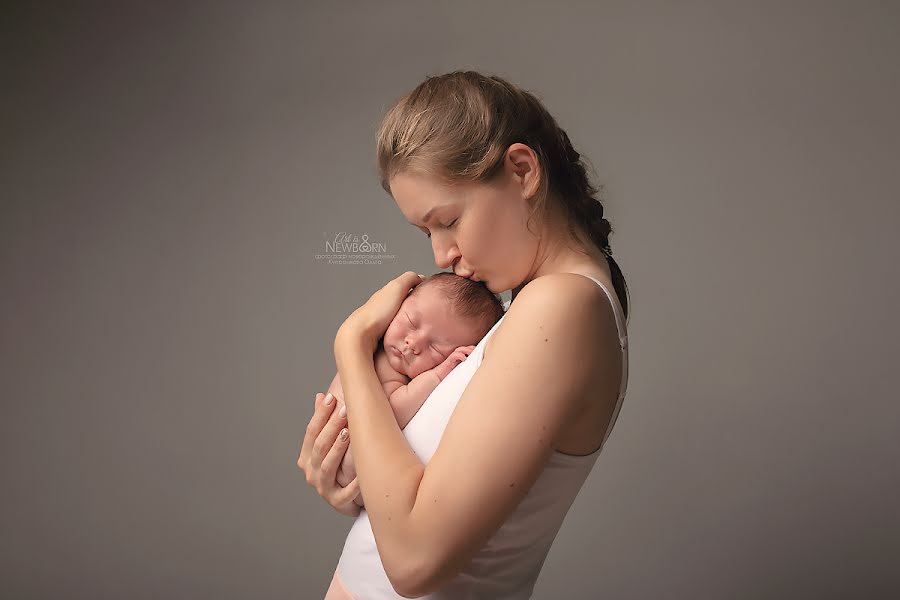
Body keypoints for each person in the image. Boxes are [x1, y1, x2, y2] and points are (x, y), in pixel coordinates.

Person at [297, 70, 630, 599]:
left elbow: (413, 562)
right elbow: (411, 508)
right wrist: (352, 485)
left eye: (447, 221)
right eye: (426, 232)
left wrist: (352, 344)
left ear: (522, 170)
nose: (440, 255)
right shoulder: (536, 309)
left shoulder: (562, 306)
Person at [327, 272, 505, 507]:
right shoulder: (379, 359)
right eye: (411, 322)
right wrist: (437, 373)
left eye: (435, 348)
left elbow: (387, 415)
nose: (413, 344)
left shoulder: (389, 368)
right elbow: (391, 411)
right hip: (342, 463)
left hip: (360, 481)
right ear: (399, 304)